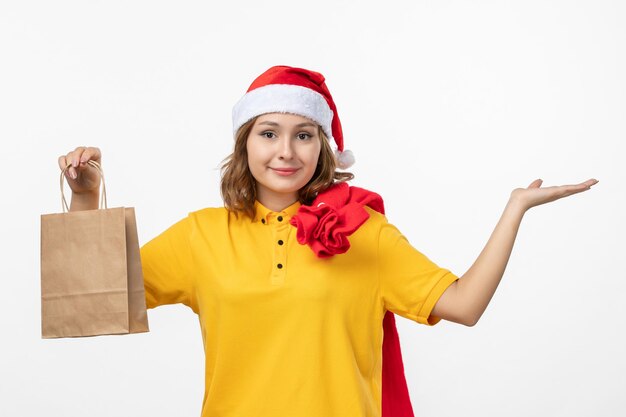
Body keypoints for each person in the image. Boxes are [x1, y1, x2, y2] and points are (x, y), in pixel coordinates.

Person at [58, 65, 597, 417]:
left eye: (304, 134)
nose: (286, 150)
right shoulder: (201, 235)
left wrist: (514, 210)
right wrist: (86, 199)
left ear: (324, 147)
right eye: (268, 133)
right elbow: (97, 304)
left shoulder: (363, 233)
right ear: (245, 144)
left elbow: (463, 304)